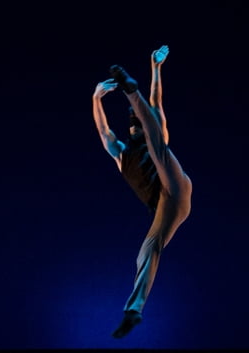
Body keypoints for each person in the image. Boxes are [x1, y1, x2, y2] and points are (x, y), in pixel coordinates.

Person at [92, 45, 192, 338]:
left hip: (175, 184)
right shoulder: (123, 154)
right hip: (167, 204)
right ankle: (133, 310)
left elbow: (153, 102)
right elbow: (106, 131)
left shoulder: (130, 148)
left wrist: (155, 69)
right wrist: (96, 98)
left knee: (158, 143)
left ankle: (131, 91)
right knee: (147, 251)